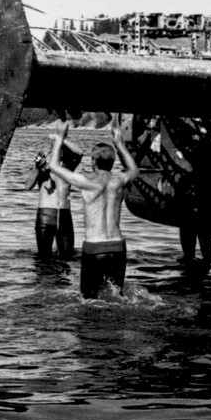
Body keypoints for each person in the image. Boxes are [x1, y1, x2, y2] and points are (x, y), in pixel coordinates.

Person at [47, 118, 140, 298]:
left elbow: (53, 166)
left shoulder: (87, 182)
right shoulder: (119, 181)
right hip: (117, 247)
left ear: (93, 162)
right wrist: (119, 143)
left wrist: (60, 138)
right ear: (112, 163)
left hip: (94, 247)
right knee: (117, 297)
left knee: (89, 300)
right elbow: (135, 171)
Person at [25, 133, 84, 261]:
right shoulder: (42, 166)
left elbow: (80, 153)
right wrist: (37, 167)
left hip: (64, 215)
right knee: (43, 258)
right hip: (45, 216)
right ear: (52, 149)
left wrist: (60, 138)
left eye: (61, 147)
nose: (60, 150)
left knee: (67, 257)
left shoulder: (68, 166)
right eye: (57, 147)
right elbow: (28, 186)